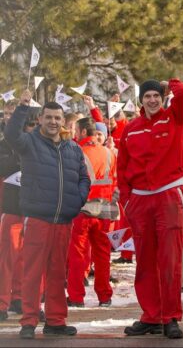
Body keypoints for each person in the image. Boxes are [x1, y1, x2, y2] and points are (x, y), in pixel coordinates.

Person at [5, 91, 90, 339]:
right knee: (32, 273)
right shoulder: (29, 142)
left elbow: (84, 177)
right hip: (38, 219)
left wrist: (77, 200)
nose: (53, 122)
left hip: (63, 221)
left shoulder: (73, 148)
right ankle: (29, 322)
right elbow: (11, 135)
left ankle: (56, 321)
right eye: (49, 117)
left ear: (63, 121)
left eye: (57, 118)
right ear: (40, 119)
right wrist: (22, 108)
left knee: (57, 274)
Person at [117, 79, 183, 339]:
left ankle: (170, 318)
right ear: (141, 100)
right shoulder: (131, 129)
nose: (152, 100)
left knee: (169, 261)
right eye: (147, 96)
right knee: (145, 262)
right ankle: (151, 316)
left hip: (168, 195)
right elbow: (122, 166)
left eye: (156, 96)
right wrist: (127, 200)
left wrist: (169, 84)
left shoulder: (174, 118)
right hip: (139, 200)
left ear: (163, 97)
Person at [66, 117, 118, 308]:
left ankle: (76, 297)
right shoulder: (109, 153)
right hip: (104, 211)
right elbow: (116, 181)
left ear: (82, 132)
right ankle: (105, 296)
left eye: (76, 131)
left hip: (82, 210)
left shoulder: (76, 152)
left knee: (78, 254)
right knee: (103, 255)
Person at [0, 103, 34, 321]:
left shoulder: (33, 142)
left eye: (13, 114)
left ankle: (19, 297)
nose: (9, 117)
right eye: (6, 114)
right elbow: (4, 167)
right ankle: (2, 302)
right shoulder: (3, 145)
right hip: (10, 207)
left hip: (31, 209)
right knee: (6, 258)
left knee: (25, 257)